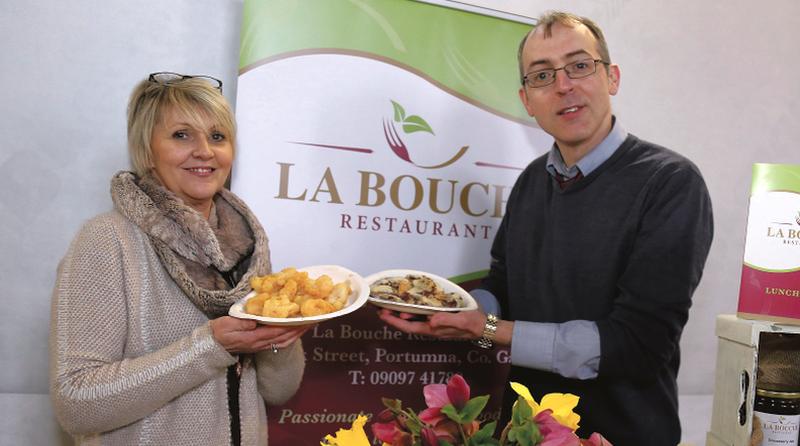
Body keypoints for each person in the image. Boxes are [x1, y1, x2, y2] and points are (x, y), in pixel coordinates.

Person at [379, 11, 713, 445]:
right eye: (542, 75)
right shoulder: (532, 180)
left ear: (611, 77)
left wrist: (483, 329)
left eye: (579, 66)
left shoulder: (671, 183)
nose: (563, 85)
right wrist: (458, 308)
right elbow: (503, 282)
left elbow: (637, 345)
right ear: (526, 100)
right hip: (524, 434)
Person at [49, 72, 309, 445]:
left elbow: (278, 391)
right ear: (147, 152)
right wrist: (212, 346)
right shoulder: (107, 241)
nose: (205, 150)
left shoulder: (247, 247)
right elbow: (76, 402)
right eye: (181, 135)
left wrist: (280, 338)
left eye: (218, 136)